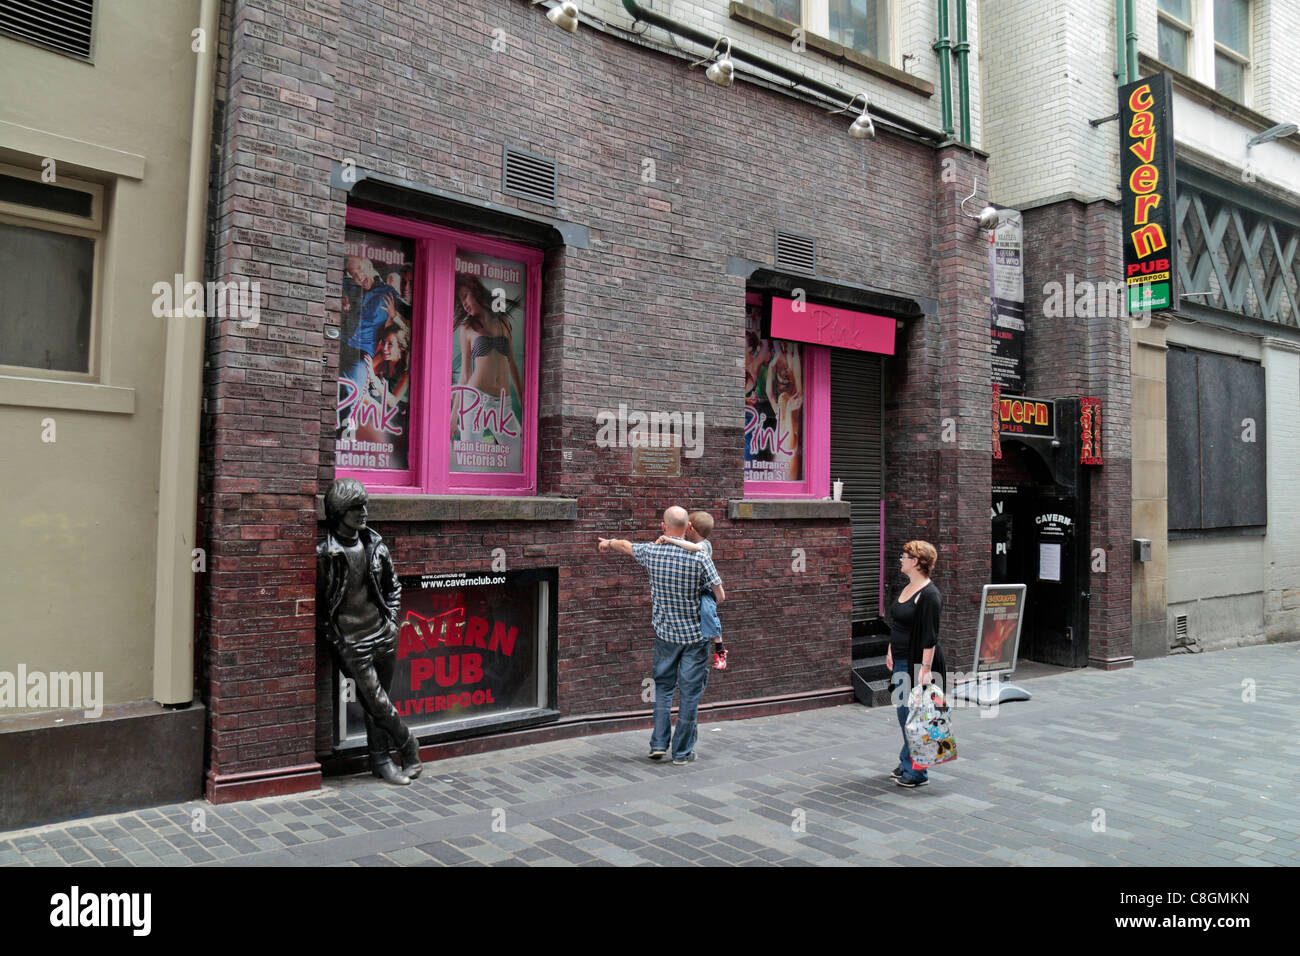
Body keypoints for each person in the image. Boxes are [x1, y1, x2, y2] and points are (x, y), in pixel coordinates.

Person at [599, 506, 725, 764]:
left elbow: (626, 546)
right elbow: (720, 594)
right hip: (694, 638)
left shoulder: (652, 552)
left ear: (663, 526)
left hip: (666, 635)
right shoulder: (701, 557)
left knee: (664, 690)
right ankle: (682, 753)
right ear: (687, 527)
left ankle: (658, 745)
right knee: (690, 695)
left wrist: (608, 542)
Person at [317, 478, 422, 785]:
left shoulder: (374, 545)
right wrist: (338, 641)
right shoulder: (326, 554)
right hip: (353, 642)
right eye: (356, 507)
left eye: (365, 505)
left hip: (383, 634)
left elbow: (394, 587)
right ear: (339, 512)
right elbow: (321, 609)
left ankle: (381, 761)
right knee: (377, 701)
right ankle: (410, 747)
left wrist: (391, 621)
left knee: (380, 702)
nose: (364, 512)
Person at [885, 539, 947, 788]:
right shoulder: (907, 587)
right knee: (908, 715)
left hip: (917, 664)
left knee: (911, 716)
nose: (901, 559)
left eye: (904, 556)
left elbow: (929, 636)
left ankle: (918, 772)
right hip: (901, 659)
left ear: (917, 562)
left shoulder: (930, 595)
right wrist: (890, 649)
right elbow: (899, 624)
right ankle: (907, 761)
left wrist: (925, 670)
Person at [452, 273, 524, 472]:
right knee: (468, 460)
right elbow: (465, 375)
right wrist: (453, 418)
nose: (464, 303)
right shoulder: (466, 328)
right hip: (475, 400)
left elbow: (513, 367)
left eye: (465, 295)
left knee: (517, 454)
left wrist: (525, 407)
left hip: (503, 403)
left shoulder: (503, 323)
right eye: (460, 299)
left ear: (476, 290)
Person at [656, 509, 727, 669]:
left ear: (691, 529)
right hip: (699, 591)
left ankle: (720, 651)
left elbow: (693, 549)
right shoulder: (697, 544)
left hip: (706, 592)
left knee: (709, 615)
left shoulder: (703, 546)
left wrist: (670, 539)